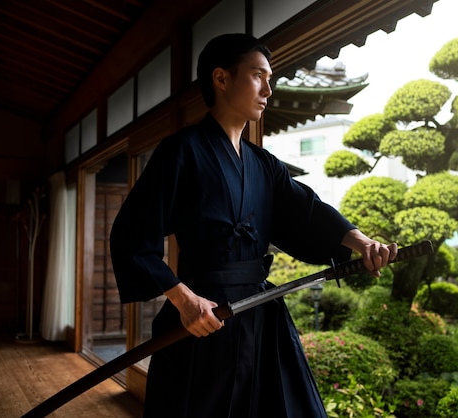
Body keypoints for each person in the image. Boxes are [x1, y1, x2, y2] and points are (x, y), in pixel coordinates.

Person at [110, 33, 398, 418]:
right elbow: (132, 234)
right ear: (222, 78)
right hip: (204, 318)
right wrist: (184, 299)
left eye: (270, 78)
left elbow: (307, 209)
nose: (268, 89)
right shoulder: (182, 151)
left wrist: (360, 241)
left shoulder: (265, 165)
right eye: (258, 75)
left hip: (261, 316)